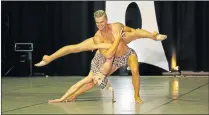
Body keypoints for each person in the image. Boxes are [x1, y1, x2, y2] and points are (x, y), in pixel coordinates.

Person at [35, 10, 167, 103]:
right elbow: (74, 49)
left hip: (126, 53)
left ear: (107, 20)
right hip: (112, 58)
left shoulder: (116, 26)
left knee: (134, 67)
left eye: (102, 22)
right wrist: (50, 58)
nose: (100, 25)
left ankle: (137, 95)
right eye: (97, 23)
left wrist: (150, 35)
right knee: (91, 79)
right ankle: (50, 60)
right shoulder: (97, 38)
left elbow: (134, 31)